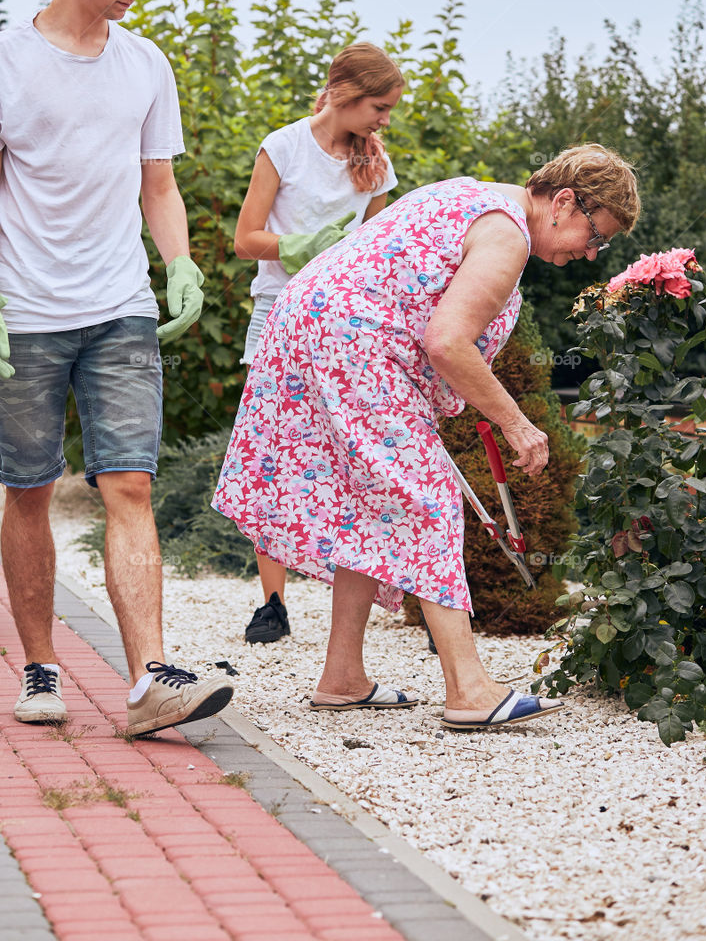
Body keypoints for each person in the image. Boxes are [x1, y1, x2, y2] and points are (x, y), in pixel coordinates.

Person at [214, 145, 640, 729]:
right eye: (596, 236)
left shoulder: (474, 193)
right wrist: (516, 423)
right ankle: (469, 689)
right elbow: (447, 342)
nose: (590, 253)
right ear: (564, 201)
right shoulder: (507, 234)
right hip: (352, 344)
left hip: (311, 326)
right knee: (427, 499)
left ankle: (342, 677)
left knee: (371, 503)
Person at [0, 0, 233, 736]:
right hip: (26, 312)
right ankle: (40, 668)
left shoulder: (145, 64)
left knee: (129, 484)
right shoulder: (0, 62)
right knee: (29, 490)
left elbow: (159, 184)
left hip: (120, 306)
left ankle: (151, 677)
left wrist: (178, 264)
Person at [233, 43, 404, 643]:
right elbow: (245, 239)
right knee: (272, 454)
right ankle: (273, 603)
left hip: (340, 322)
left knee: (349, 455)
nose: (385, 120)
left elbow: (380, 251)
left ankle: (356, 599)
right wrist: (299, 246)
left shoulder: (376, 164)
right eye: (379, 107)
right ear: (345, 95)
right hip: (277, 311)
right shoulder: (283, 147)